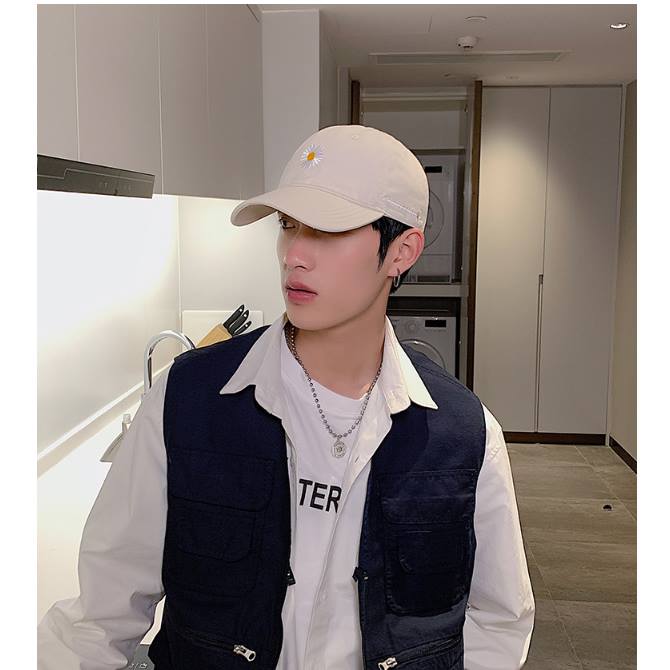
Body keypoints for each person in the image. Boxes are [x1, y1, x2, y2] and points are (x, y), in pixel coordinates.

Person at [38, 124, 535, 669]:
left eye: (328, 231)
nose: (294, 254)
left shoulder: (465, 433)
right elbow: (99, 617)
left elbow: (498, 621)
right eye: (288, 225)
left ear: (402, 250)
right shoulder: (185, 401)